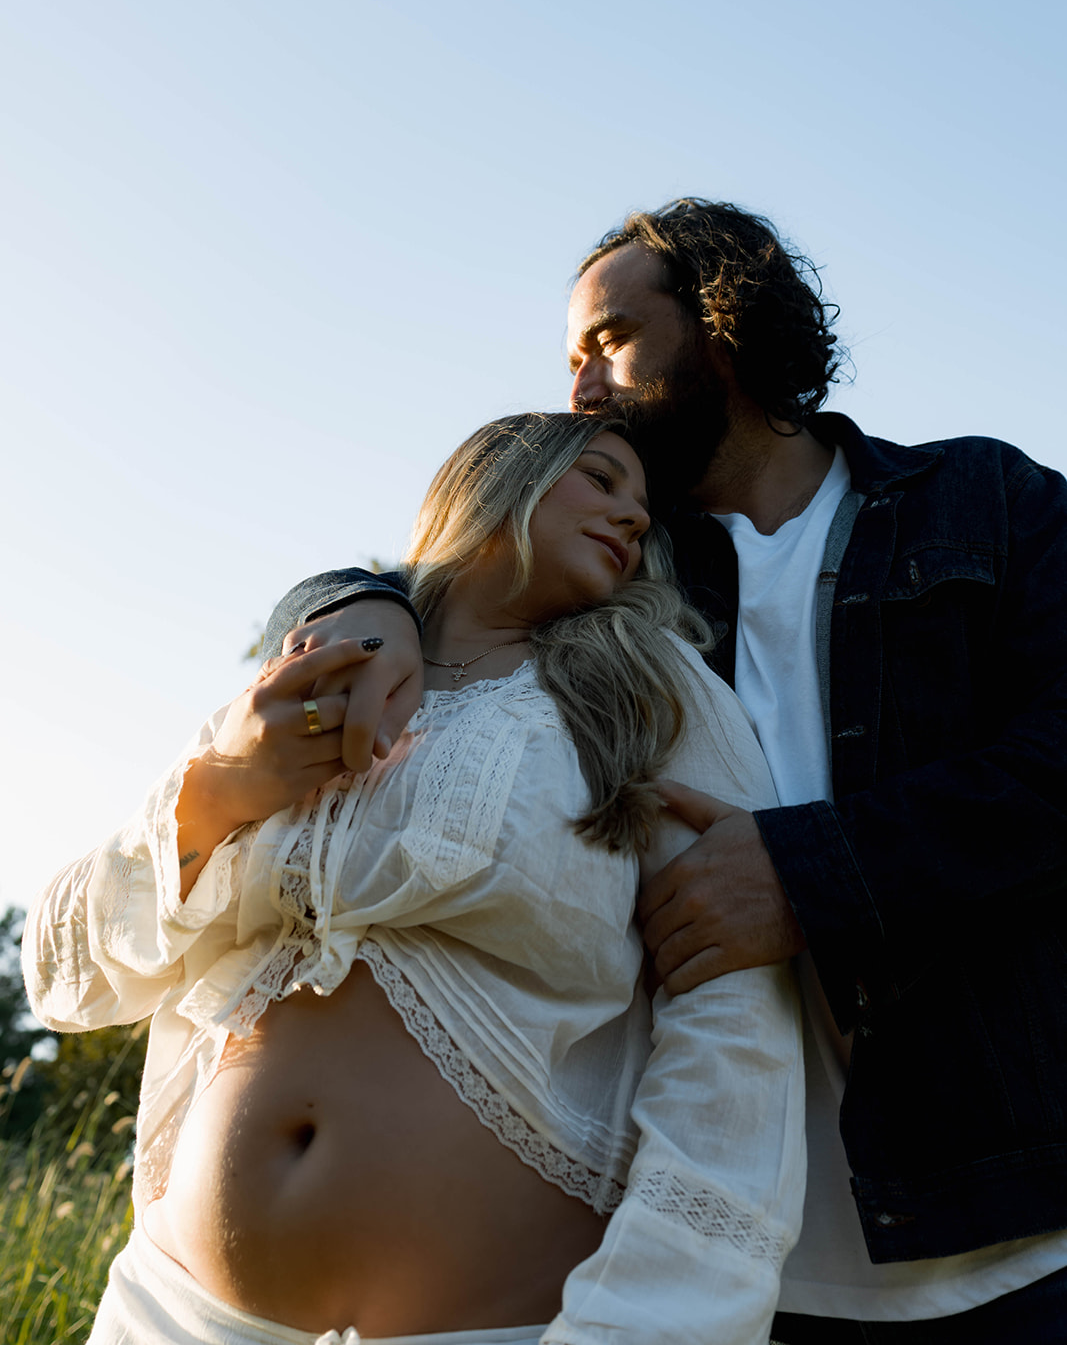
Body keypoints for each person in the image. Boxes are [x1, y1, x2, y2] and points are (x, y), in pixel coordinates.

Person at [278, 202, 1067, 1340]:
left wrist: (810, 876)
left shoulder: (985, 502)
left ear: (724, 324)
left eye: (608, 342)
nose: (580, 391)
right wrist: (359, 608)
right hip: (707, 1262)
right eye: (569, 362)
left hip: (1009, 1238)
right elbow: (445, 565)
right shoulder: (608, 563)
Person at [24, 411, 805, 1345]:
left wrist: (651, 1320)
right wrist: (218, 793)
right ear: (493, 477)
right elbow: (64, 977)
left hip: (499, 1323)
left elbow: (734, 1008)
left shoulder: (653, 688)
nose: (633, 518)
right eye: (600, 480)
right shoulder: (310, 672)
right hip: (175, 1313)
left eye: (643, 509)